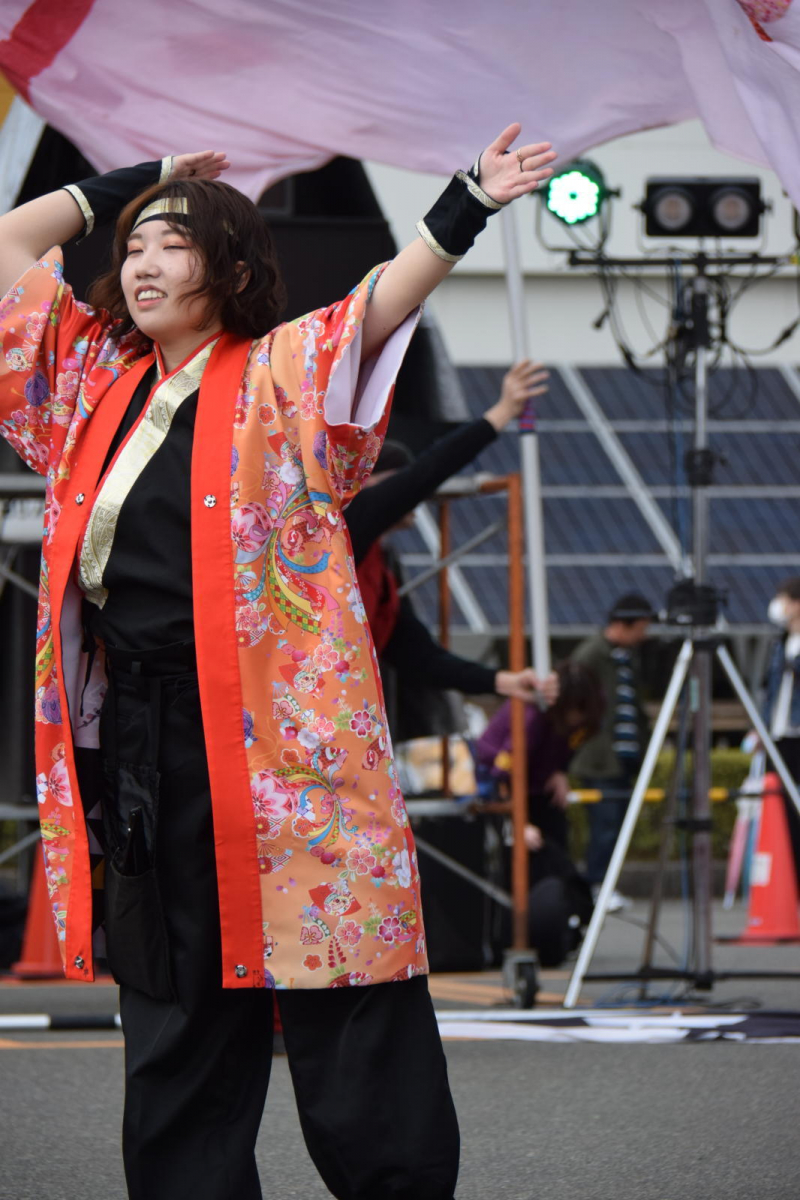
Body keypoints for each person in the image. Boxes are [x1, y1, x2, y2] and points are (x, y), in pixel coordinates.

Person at [0, 130, 556, 1200]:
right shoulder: (90, 384)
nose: (144, 265)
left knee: (344, 996)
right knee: (170, 1010)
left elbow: (384, 299)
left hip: (281, 753)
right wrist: (145, 182)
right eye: (133, 252)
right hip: (145, 750)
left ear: (234, 270)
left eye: (173, 246)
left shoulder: (282, 372)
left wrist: (466, 199)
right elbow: (14, 240)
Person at [346, 361, 556, 738]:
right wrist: (500, 414)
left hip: (346, 723)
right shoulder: (344, 529)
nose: (406, 496)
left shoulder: (380, 572)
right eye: (392, 484)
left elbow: (420, 657)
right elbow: (425, 475)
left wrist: (500, 682)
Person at [475, 661, 603, 964]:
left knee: (557, 855)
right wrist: (517, 822)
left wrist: (559, 771)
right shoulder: (530, 717)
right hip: (506, 792)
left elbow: (568, 746)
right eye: (575, 709)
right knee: (529, 862)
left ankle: (564, 925)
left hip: (541, 787)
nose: (578, 718)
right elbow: (502, 774)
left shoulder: (584, 715)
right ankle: (518, 933)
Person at [570, 593, 655, 910]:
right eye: (641, 627)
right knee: (604, 826)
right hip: (599, 759)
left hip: (625, 757)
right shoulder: (592, 653)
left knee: (618, 825)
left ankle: (606, 884)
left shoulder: (627, 657)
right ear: (623, 625)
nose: (644, 635)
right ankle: (597, 885)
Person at [758, 577, 800, 884]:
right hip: (779, 734)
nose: (779, 606)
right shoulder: (780, 641)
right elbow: (769, 689)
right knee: (780, 809)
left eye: (784, 599)